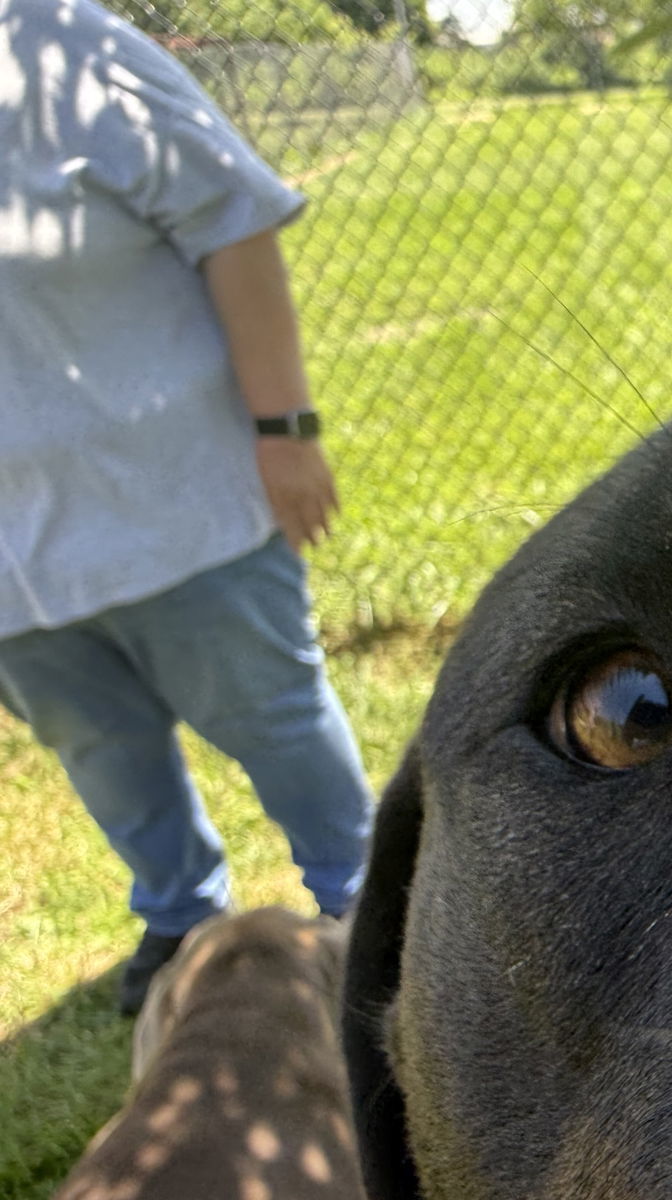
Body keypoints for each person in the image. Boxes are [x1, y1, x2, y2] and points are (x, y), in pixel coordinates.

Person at [0, 0, 374, 1015]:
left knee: (277, 719)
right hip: (15, 571)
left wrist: (284, 430)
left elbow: (233, 223)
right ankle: (180, 913)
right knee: (99, 747)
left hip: (179, 510)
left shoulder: (66, 48)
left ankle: (370, 906)